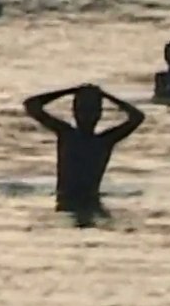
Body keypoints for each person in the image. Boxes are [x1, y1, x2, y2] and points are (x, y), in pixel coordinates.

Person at [22, 83, 146, 227]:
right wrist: (69, 90)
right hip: (67, 200)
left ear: (99, 113)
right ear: (74, 111)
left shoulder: (103, 141)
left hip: (85, 200)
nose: (86, 115)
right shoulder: (68, 134)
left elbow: (138, 117)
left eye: (91, 110)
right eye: (82, 109)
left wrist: (105, 96)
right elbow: (31, 105)